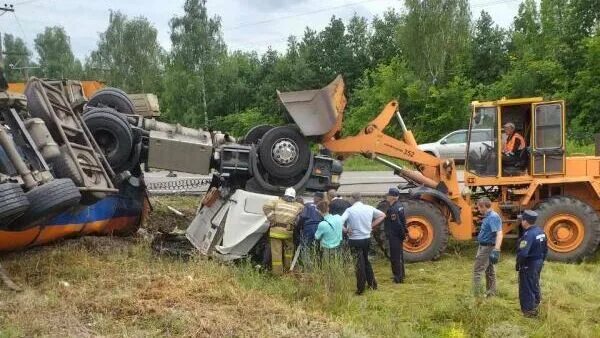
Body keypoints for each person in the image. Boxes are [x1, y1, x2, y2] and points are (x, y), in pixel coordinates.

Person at [341, 192, 386, 295]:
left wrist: (345, 230)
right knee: (366, 261)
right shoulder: (369, 208)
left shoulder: (350, 210)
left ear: (352, 199)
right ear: (360, 199)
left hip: (355, 239)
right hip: (366, 238)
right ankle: (372, 284)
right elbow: (382, 215)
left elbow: (340, 221)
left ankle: (360, 288)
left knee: (358, 264)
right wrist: (371, 225)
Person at [262, 187, 304, 275]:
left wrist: (272, 219)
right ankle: (288, 268)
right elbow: (303, 212)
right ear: (294, 197)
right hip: (288, 232)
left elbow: (265, 206)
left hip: (276, 232)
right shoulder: (298, 205)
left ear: (285, 194)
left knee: (276, 253)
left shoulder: (277, 201)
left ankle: (277, 273)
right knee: (289, 251)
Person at [516, 210, 548, 318]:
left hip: (528, 264)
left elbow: (523, 253)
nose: (521, 222)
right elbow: (545, 249)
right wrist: (541, 261)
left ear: (525, 221)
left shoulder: (528, 234)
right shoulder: (540, 231)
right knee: (534, 283)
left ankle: (529, 311)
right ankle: (537, 303)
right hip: (538, 262)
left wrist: (519, 264)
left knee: (526, 286)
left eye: (522, 220)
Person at [473, 197, 504, 297]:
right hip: (484, 246)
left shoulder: (493, 217)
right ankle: (491, 293)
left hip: (487, 247)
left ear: (483, 206)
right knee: (490, 271)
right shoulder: (488, 216)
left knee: (477, 270)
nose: (478, 210)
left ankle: (476, 295)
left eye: (479, 207)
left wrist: (496, 250)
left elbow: (499, 233)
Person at [383, 188, 406, 283]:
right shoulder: (400, 205)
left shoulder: (393, 209)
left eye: (388, 195)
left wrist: (397, 235)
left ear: (392, 197)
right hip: (399, 235)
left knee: (395, 257)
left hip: (394, 236)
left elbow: (397, 224)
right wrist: (403, 233)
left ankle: (398, 278)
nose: (387, 196)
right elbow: (403, 221)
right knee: (400, 256)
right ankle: (402, 274)